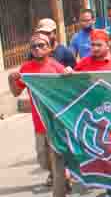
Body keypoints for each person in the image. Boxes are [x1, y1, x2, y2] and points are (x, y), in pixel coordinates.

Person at [8, 33, 70, 197]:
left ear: (50, 48)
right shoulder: (26, 68)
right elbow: (16, 92)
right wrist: (11, 79)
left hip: (56, 122)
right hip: (38, 123)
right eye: (34, 46)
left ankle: (59, 190)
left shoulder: (56, 66)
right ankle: (64, 174)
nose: (37, 49)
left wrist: (69, 75)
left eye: (41, 45)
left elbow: (70, 90)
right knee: (43, 159)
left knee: (56, 160)